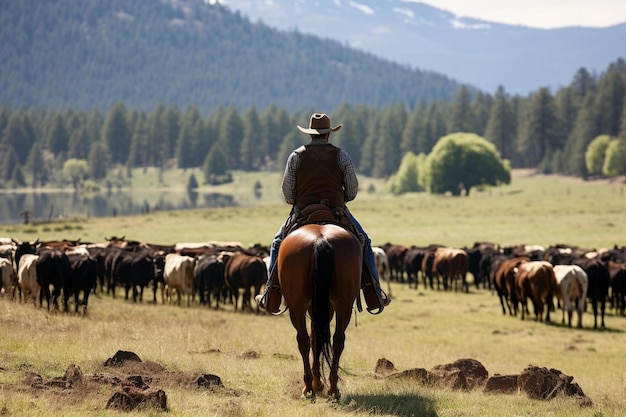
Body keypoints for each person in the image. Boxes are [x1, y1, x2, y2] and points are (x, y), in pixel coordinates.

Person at [255, 112, 390, 315]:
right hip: (336, 211)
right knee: (365, 241)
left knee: (276, 243)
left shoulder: (296, 156)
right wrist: (338, 199)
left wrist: (300, 201)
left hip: (302, 211)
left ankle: (271, 296)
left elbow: (287, 192)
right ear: (328, 134)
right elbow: (352, 190)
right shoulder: (341, 156)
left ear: (311, 135)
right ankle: (373, 294)